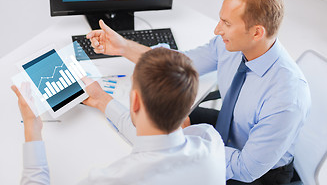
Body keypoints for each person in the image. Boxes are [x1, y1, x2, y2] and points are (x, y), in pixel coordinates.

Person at [86, 0, 311, 184]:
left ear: (256, 33)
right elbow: (177, 64)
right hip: (228, 130)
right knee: (159, 121)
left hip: (259, 174)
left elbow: (246, 168)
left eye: (226, 23)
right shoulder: (230, 46)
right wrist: (123, 47)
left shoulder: (287, 97)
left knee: (162, 137)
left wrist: (185, 143)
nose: (217, 29)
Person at [12, 48, 226, 185]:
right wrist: (101, 99)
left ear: (134, 102)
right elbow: (159, 141)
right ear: (189, 104)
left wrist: (31, 127)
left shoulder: (115, 178)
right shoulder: (210, 139)